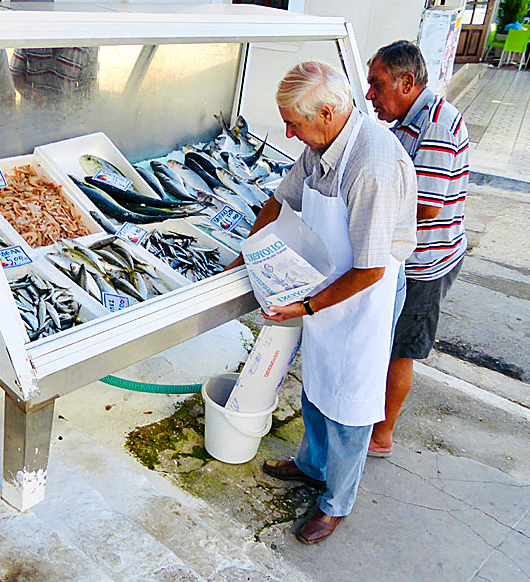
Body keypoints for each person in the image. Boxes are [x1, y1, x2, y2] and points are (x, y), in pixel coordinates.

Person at [227, 61, 417, 544]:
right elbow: (279, 200)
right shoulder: (320, 145)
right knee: (316, 381)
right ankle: (312, 464)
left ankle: (336, 502)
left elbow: (371, 267)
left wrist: (308, 307)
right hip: (328, 279)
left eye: (294, 123)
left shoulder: (370, 165)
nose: (289, 133)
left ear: (328, 112)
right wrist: (245, 256)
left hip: (365, 294)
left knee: (350, 402)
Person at [365, 41, 468, 458]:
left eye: (377, 84)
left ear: (406, 82)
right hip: (403, 259)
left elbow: (425, 204)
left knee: (399, 351)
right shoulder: (407, 120)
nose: (370, 94)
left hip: (425, 263)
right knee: (386, 342)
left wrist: (364, 220)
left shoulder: (437, 122)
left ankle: (381, 436)